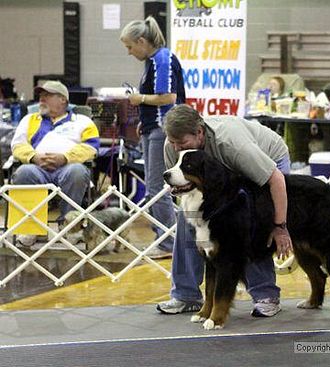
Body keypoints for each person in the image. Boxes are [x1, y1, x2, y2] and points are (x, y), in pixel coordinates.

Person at [156, 104, 293, 317]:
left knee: (251, 220)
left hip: (269, 160)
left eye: (181, 143)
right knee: (187, 220)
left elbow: (276, 180)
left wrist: (280, 226)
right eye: (173, 142)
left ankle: (266, 295)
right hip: (221, 177)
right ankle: (185, 295)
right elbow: (182, 189)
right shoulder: (173, 144)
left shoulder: (231, 144)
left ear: (199, 133)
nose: (176, 148)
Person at [120, 16, 186, 259]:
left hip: (163, 130)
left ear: (140, 41)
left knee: (158, 188)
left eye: (129, 46)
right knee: (155, 187)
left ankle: (169, 242)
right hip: (153, 128)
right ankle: (167, 237)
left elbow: (168, 97)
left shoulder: (162, 58)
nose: (128, 52)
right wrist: (143, 121)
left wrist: (139, 100)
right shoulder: (152, 61)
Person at [10, 80, 100, 246]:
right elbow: (17, 145)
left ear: (63, 99)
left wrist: (65, 157)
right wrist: (34, 157)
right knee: (24, 172)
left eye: (47, 95)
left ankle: (68, 228)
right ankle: (33, 229)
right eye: (41, 96)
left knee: (77, 172)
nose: (41, 99)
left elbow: (91, 146)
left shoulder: (81, 121)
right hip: (37, 167)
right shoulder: (29, 119)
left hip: (68, 166)